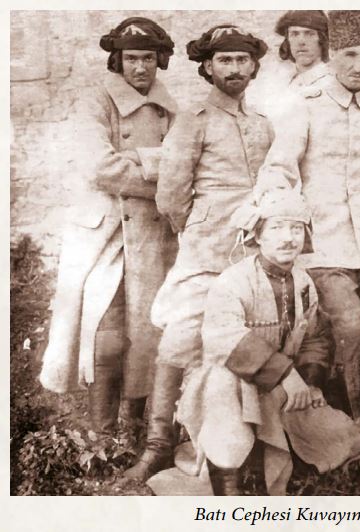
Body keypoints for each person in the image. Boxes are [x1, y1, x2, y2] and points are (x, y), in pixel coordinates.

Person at [125, 24, 273, 480]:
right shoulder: (193, 120)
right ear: (208, 68)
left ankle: (238, 451)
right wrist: (198, 229)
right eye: (224, 60)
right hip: (206, 250)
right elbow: (171, 195)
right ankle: (158, 443)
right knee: (180, 337)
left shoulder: (262, 122)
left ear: (253, 67)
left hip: (253, 250)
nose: (234, 69)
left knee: (246, 340)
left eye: (242, 60)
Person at [256, 10, 360, 422]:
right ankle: (354, 425)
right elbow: (278, 172)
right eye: (350, 55)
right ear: (332, 56)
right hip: (325, 245)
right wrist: (291, 227)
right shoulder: (304, 106)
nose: (359, 66)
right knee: (349, 330)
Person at [176, 189, 360, 495]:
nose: (288, 238)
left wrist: (310, 382)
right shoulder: (233, 281)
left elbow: (314, 339)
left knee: (341, 439)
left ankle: (266, 459)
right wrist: (286, 375)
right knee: (225, 396)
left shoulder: (303, 282)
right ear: (258, 235)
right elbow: (225, 339)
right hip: (229, 386)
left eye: (296, 229)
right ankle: (229, 489)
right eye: (276, 228)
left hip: (277, 388)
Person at [40, 17, 177, 435]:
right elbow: (101, 168)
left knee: (146, 331)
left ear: (159, 61)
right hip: (104, 234)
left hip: (151, 235)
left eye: (148, 58)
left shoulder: (170, 108)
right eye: (131, 58)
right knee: (106, 334)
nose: (140, 67)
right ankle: (101, 434)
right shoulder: (94, 102)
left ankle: (132, 428)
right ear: (117, 61)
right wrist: (159, 173)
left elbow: (185, 162)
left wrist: (139, 158)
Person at [275, 10, 331, 89]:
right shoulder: (280, 82)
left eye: (309, 34)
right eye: (295, 34)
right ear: (288, 41)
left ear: (322, 39)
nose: (301, 42)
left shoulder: (331, 82)